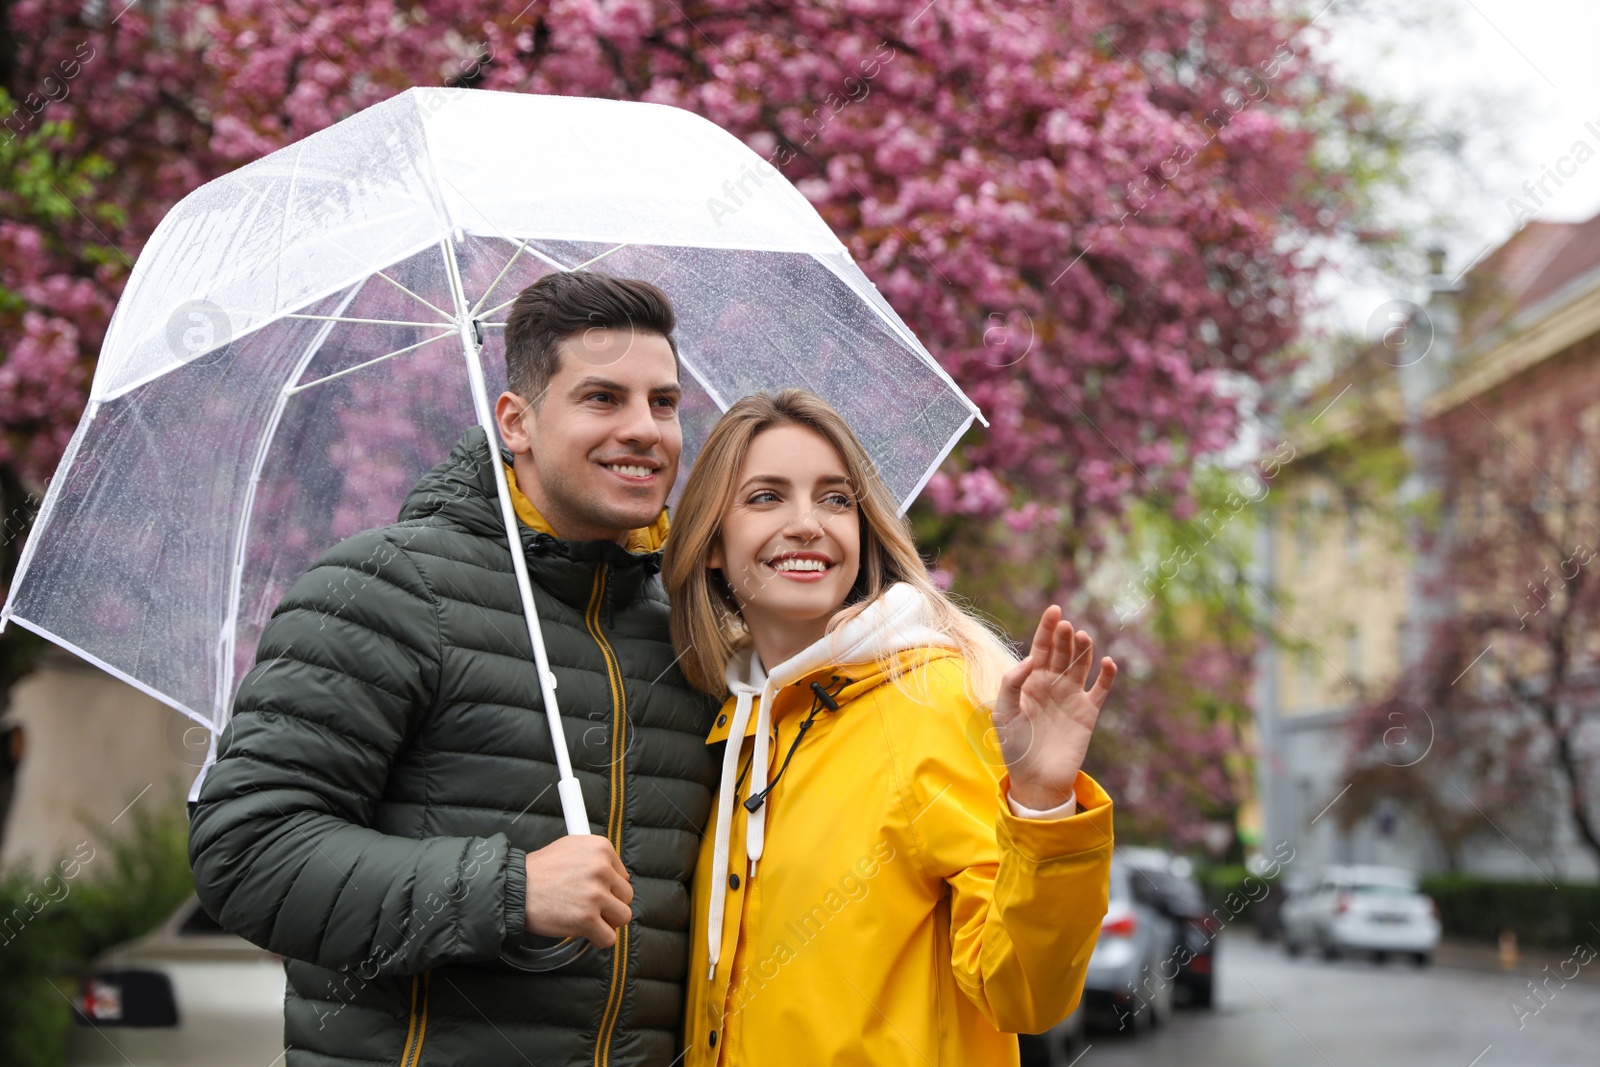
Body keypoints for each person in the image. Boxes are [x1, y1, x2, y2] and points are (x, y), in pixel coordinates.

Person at [188, 272, 719, 1067]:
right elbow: (248, 851)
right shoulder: (385, 589)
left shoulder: (688, 630)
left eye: (664, 403)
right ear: (517, 421)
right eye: (603, 399)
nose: (646, 430)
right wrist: (507, 891)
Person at [660, 389, 1117, 1066]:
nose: (808, 523)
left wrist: (1043, 806)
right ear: (713, 544)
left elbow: (1022, 993)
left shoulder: (933, 702)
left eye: (836, 498)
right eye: (766, 497)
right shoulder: (732, 728)